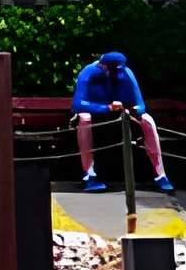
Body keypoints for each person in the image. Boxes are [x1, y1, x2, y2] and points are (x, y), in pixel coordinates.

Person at [72, 49, 173, 192]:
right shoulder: (88, 73)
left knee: (147, 120)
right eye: (111, 69)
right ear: (103, 66)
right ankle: (89, 175)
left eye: (118, 69)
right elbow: (77, 104)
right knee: (84, 118)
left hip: (121, 114)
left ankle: (160, 175)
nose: (116, 73)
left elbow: (140, 105)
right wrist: (106, 107)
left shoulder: (127, 73)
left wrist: (130, 109)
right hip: (97, 114)